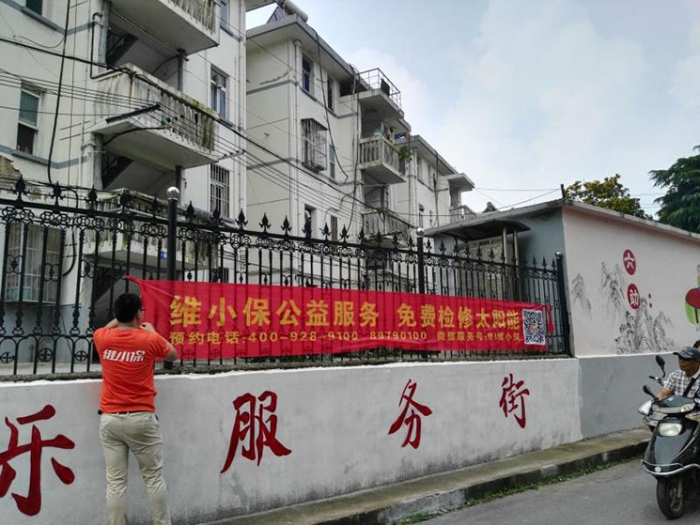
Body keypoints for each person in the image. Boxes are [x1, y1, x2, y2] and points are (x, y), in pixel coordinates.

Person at [93, 293, 178, 525]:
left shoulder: (102, 337)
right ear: (139, 314)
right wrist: (152, 331)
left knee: (115, 482)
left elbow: (107, 327)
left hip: (110, 419)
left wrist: (121, 318)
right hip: (141, 418)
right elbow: (173, 354)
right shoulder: (148, 339)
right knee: (153, 478)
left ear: (116, 314)